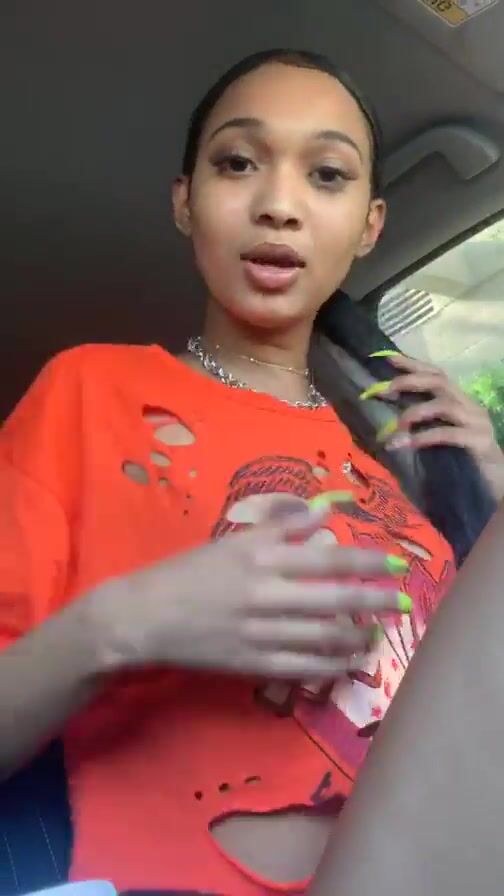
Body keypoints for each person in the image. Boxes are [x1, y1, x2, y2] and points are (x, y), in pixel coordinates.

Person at [0, 48, 502, 896]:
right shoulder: (90, 391)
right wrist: (125, 624)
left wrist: (491, 506)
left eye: (327, 175)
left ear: (370, 226)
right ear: (185, 202)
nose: (279, 205)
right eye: (237, 163)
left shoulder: (401, 496)